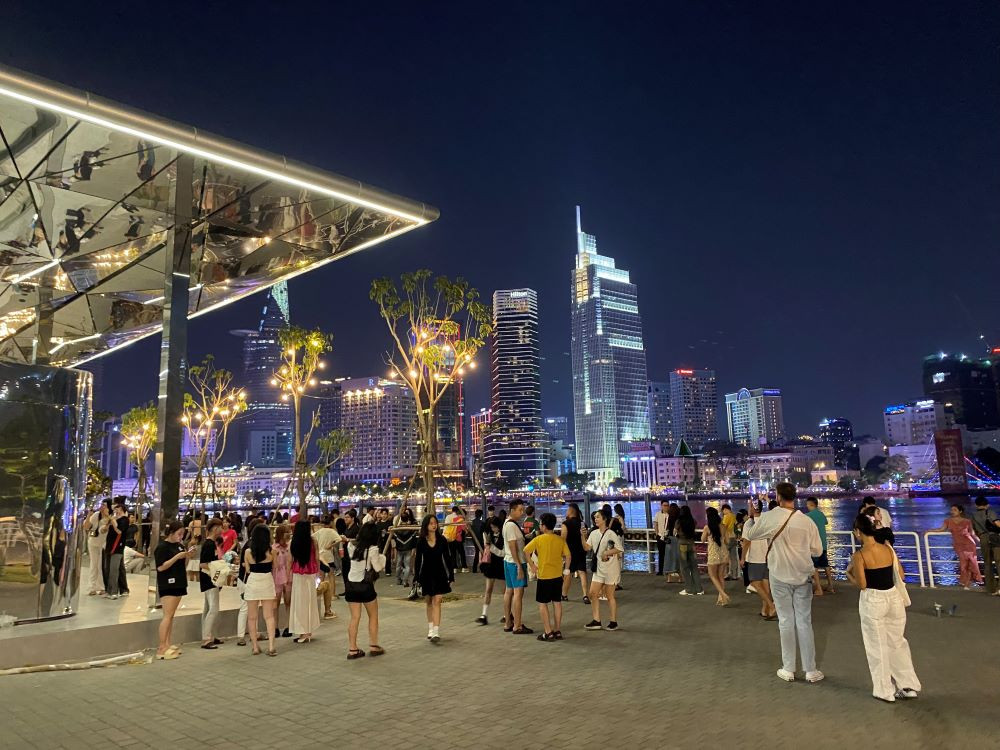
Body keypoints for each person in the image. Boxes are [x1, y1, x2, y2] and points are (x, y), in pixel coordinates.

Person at [744, 482, 824, 683]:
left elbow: (751, 534)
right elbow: (818, 551)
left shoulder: (771, 516)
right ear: (794, 497)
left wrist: (754, 515)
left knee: (786, 621)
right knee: (804, 622)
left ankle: (788, 668)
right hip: (803, 575)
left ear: (778, 497)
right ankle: (811, 670)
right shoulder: (806, 521)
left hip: (779, 575)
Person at [846, 513, 921, 702]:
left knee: (876, 646)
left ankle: (884, 690)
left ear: (858, 532)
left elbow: (862, 585)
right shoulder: (888, 549)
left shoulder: (859, 555)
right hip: (894, 598)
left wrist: (849, 575)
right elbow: (901, 575)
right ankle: (908, 686)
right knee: (897, 642)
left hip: (873, 601)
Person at [524, 513, 571, 641]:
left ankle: (548, 632)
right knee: (557, 603)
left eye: (540, 524)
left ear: (544, 526)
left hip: (544, 576)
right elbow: (568, 556)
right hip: (557, 576)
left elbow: (526, 551)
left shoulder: (538, 539)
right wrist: (566, 570)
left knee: (543, 604)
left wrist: (532, 565)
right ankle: (557, 630)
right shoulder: (560, 540)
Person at [343, 521, 386, 659]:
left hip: (351, 585)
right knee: (373, 616)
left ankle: (352, 649)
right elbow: (377, 567)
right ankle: (373, 646)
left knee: (354, 617)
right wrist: (382, 558)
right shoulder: (373, 549)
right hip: (365, 586)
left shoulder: (351, 546)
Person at [153, 520, 192, 660]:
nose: (180, 537)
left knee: (171, 616)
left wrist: (187, 556)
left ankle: (167, 643)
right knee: (167, 615)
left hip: (179, 582)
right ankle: (162, 647)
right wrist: (177, 557)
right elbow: (161, 567)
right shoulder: (162, 547)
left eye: (182, 534)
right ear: (171, 533)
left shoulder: (179, 545)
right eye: (179, 534)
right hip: (168, 583)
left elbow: (183, 563)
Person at [415, 515, 455, 643]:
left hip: (440, 574)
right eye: (431, 523)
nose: (434, 525)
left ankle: (436, 631)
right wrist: (416, 577)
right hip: (426, 574)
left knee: (437, 600)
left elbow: (447, 558)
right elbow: (418, 560)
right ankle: (430, 628)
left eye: (435, 523)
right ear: (426, 525)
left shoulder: (442, 540)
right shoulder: (421, 541)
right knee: (428, 601)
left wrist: (451, 575)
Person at [583, 508, 623, 630]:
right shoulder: (593, 533)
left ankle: (613, 621)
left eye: (598, 517)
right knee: (593, 593)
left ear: (604, 519)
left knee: (609, 596)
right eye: (595, 517)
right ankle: (596, 620)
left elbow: (619, 548)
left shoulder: (611, 533)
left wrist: (606, 552)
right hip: (599, 569)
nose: (595, 519)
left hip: (611, 568)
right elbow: (587, 548)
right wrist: (582, 536)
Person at [243, 524, 278, 656]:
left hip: (253, 582)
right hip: (267, 581)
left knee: (252, 617)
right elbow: (275, 567)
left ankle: (255, 647)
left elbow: (247, 570)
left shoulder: (248, 552)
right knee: (269, 616)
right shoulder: (272, 552)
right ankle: (271, 646)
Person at [930, 504, 983, 589]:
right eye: (951, 510)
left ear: (960, 511)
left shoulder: (967, 521)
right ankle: (965, 581)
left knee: (972, 563)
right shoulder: (948, 521)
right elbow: (941, 529)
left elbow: (972, 533)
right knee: (963, 565)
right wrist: (929, 530)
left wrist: (981, 541)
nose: (952, 512)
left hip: (969, 544)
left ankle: (967, 583)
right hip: (959, 545)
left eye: (955, 510)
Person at [502, 500, 533, 634]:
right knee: (518, 593)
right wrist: (519, 565)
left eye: (523, 510)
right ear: (512, 510)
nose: (522, 513)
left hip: (508, 561)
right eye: (520, 510)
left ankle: (508, 622)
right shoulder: (511, 526)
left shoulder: (507, 523)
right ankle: (517, 625)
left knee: (509, 591)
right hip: (515, 562)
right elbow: (512, 545)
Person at [743, 499, 777, 619]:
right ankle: (765, 610)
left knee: (755, 583)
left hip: (755, 557)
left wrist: (742, 558)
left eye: (750, 507)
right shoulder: (766, 521)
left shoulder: (749, 523)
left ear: (753, 508)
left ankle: (771, 606)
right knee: (765, 585)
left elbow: (746, 542)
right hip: (767, 556)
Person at [288, 520, 321, 643]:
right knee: (310, 601)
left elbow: (290, 560)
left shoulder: (293, 542)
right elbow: (317, 558)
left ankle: (303, 632)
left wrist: (287, 575)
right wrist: (318, 573)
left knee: (299, 603)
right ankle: (308, 631)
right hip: (311, 573)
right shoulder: (313, 541)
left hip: (298, 573)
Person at [198, 519, 224, 650]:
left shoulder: (210, 543)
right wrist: (217, 569)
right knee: (213, 609)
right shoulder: (209, 545)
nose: (222, 530)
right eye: (220, 527)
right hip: (210, 580)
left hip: (209, 579)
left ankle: (209, 635)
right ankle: (207, 638)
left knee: (208, 608)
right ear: (215, 529)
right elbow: (203, 564)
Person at [476, 516, 506, 625]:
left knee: (505, 591)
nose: (493, 529)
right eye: (492, 527)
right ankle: (484, 615)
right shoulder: (488, 535)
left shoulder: (504, 535)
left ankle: (507, 614)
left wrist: (491, 547)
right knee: (488, 590)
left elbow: (503, 553)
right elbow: (486, 548)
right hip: (491, 564)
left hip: (501, 564)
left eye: (495, 527)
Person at [702, 507, 732, 606]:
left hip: (713, 554)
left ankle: (723, 594)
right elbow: (727, 541)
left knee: (713, 576)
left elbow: (702, 540)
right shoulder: (723, 526)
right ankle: (722, 599)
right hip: (723, 553)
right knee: (721, 576)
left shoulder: (707, 527)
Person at [313, 515, 342, 618]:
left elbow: (312, 537)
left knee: (321, 576)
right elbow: (339, 539)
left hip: (320, 555)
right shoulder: (332, 531)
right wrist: (331, 545)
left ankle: (320, 591)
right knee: (331, 575)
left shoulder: (319, 531)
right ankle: (332, 594)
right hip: (328, 556)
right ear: (330, 522)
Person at [805, 497, 835, 595]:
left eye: (807, 504)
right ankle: (831, 586)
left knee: (814, 567)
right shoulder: (821, 514)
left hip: (814, 545)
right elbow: (826, 522)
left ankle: (819, 589)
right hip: (823, 544)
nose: (806, 506)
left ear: (810, 504)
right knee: (826, 565)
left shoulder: (807, 516)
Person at [560, 503, 590, 603]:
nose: (566, 511)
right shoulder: (583, 524)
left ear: (571, 511)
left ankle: (564, 594)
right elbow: (585, 539)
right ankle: (585, 595)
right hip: (581, 551)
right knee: (582, 572)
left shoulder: (566, 524)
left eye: (567, 509)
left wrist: (562, 553)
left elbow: (563, 540)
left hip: (570, 552)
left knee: (568, 573)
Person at [971, 494, 1000, 595]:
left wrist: (981, 537)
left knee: (987, 564)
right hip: (995, 537)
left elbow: (974, 530)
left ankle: (991, 589)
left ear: (976, 505)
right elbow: (998, 524)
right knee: (999, 561)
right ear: (987, 505)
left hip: (983, 538)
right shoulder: (990, 512)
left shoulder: (974, 515)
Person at [674, 506, 703, 596]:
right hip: (691, 543)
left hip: (682, 543)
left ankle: (689, 589)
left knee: (684, 567)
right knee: (694, 566)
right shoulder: (692, 521)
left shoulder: (679, 521)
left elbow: (674, 532)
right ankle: (699, 589)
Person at [84, 500, 110, 596]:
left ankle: (101, 587)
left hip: (104, 544)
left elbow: (104, 530)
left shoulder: (111, 517)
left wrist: (108, 517)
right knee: (94, 564)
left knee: (100, 565)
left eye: (105, 505)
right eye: (102, 505)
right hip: (93, 542)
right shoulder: (96, 515)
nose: (102, 507)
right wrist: (88, 516)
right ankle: (91, 587)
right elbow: (86, 527)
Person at [104, 502, 129, 600]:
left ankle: (113, 592)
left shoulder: (124, 520)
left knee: (113, 570)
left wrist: (113, 522)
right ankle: (123, 589)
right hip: (110, 546)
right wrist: (109, 522)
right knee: (118, 569)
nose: (114, 510)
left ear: (121, 509)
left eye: (116, 508)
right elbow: (106, 530)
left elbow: (119, 531)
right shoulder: (114, 519)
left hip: (117, 547)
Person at [271, 524, 293, 637]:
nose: (288, 534)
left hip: (289, 575)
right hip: (277, 576)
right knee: (276, 602)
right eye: (286, 532)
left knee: (288, 601)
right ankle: (275, 627)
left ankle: (288, 626)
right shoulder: (274, 548)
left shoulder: (290, 546)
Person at [394, 509, 417, 587]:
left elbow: (394, 536)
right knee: (407, 565)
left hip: (399, 549)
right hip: (408, 548)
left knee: (398, 564)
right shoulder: (411, 528)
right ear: (408, 518)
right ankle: (405, 581)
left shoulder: (396, 528)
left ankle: (398, 580)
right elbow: (414, 535)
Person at [443, 506, 467, 574]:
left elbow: (445, 527)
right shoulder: (459, 518)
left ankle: (454, 568)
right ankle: (464, 567)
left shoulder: (448, 517)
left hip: (450, 537)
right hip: (458, 538)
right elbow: (463, 528)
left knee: (453, 553)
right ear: (458, 511)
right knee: (461, 553)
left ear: (452, 510)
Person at [720, 504, 739, 580]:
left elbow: (724, 527)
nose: (723, 512)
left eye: (723, 510)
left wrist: (722, 537)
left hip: (727, 538)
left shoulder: (726, 516)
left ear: (725, 509)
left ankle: (725, 574)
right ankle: (734, 575)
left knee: (724, 557)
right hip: (734, 538)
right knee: (733, 558)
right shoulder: (734, 516)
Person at [653, 500, 671, 576]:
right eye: (664, 505)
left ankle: (668, 570)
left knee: (669, 554)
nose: (666, 507)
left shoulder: (670, 514)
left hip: (668, 536)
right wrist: (657, 533)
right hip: (660, 536)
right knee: (661, 554)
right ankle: (660, 570)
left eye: (667, 505)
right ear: (661, 506)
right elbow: (655, 523)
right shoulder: (658, 514)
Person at [470, 509, 485, 574]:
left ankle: (474, 569)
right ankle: (483, 569)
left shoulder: (472, 522)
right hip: (481, 540)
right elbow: (484, 532)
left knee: (476, 554)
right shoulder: (482, 523)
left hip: (475, 540)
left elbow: (470, 532)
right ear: (481, 515)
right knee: (483, 554)